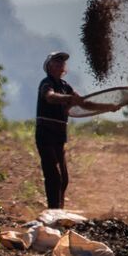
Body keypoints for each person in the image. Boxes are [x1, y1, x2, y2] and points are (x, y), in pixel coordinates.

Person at [35, 51, 84, 209]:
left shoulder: (65, 86)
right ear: (48, 66)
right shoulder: (46, 83)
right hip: (45, 134)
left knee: (64, 178)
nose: (59, 64)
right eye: (56, 62)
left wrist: (109, 107)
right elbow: (49, 96)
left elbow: (83, 103)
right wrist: (69, 99)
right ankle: (53, 213)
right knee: (54, 176)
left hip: (59, 136)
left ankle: (59, 211)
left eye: (62, 62)